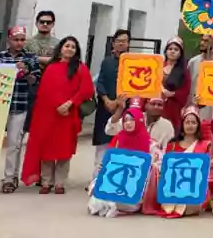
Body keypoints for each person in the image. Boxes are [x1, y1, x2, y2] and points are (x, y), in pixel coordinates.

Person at [21, 36, 94, 194]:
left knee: (64, 149)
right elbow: (45, 91)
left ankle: (60, 183)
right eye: (67, 46)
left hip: (69, 114)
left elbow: (86, 90)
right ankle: (46, 181)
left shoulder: (81, 68)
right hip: (49, 114)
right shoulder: (52, 67)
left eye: (73, 47)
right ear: (60, 48)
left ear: (76, 51)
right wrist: (57, 106)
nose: (69, 49)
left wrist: (69, 103)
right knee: (47, 147)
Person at [0, 25, 41, 193]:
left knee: (14, 144)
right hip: (0, 106)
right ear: (9, 40)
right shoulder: (0, 57)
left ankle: (9, 178)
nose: (19, 43)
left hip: (20, 105)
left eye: (22, 40)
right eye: (16, 39)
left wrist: (26, 72)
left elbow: (35, 81)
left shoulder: (30, 58)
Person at [87, 103, 151, 218]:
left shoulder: (150, 142)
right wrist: (104, 167)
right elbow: (109, 160)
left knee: (126, 199)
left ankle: (116, 205)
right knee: (96, 189)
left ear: (140, 121)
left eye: (132, 120)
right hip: (116, 179)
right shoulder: (118, 138)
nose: (128, 123)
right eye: (126, 120)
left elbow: (155, 166)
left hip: (137, 183)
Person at [151, 106, 212, 218]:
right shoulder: (172, 145)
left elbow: (207, 168)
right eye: (187, 122)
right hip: (174, 187)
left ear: (198, 125)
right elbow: (165, 168)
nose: (190, 125)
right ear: (182, 125)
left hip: (194, 188)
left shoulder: (204, 145)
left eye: (193, 122)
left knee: (190, 206)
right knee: (170, 206)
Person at [91, 29, 129, 188]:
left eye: (125, 41)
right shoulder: (106, 61)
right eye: (119, 40)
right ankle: (96, 179)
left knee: (124, 143)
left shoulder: (133, 62)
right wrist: (107, 100)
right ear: (113, 43)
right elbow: (100, 82)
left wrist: (122, 102)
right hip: (106, 107)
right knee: (103, 143)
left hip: (126, 109)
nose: (122, 43)